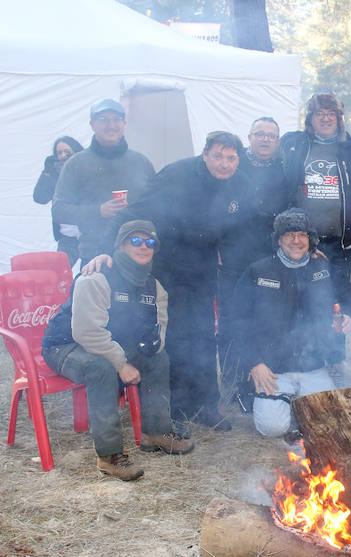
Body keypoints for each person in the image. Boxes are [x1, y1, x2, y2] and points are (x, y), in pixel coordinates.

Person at [119, 131, 254, 435]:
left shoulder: (241, 186)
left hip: (203, 267)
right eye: (218, 156)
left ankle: (206, 405)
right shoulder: (176, 174)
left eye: (231, 158)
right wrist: (118, 251)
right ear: (204, 154)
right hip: (167, 264)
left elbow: (244, 229)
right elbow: (137, 212)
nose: (224, 163)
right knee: (176, 335)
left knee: (204, 334)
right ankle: (175, 407)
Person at [41, 221, 193, 481]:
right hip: (66, 345)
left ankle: (155, 432)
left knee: (157, 358)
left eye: (150, 242)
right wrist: (121, 364)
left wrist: (149, 348)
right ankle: (109, 456)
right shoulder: (97, 277)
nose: (144, 247)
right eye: (136, 241)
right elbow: (86, 333)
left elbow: (160, 333)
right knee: (100, 368)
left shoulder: (154, 287)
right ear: (121, 245)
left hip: (110, 345)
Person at [232, 209, 351, 439]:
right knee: (273, 428)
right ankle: (278, 401)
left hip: (314, 367)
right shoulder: (258, 271)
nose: (296, 241)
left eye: (302, 235)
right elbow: (237, 321)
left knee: (328, 422)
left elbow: (350, 297)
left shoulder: (323, 269)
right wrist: (254, 363)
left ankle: (300, 402)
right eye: (289, 235)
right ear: (278, 239)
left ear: (311, 239)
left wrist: (347, 316)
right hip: (272, 369)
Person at [218, 117, 290, 408]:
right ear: (249, 137)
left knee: (264, 317)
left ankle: (259, 379)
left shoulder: (283, 172)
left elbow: (289, 214)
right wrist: (218, 246)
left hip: (268, 256)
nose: (264, 139)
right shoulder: (234, 166)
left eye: (271, 135)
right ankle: (234, 380)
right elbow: (217, 212)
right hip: (234, 255)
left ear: (277, 140)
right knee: (232, 316)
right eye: (259, 134)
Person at [282, 92, 351, 297]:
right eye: (320, 113)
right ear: (310, 119)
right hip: (302, 241)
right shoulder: (295, 145)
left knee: (338, 297)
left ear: (340, 119)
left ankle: (336, 330)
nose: (326, 118)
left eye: (332, 113)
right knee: (303, 298)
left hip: (340, 243)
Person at [53, 98, 155, 262]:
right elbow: (59, 210)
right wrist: (98, 211)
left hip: (137, 256)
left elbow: (155, 204)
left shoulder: (141, 162)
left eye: (116, 120)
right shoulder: (77, 163)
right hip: (94, 255)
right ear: (92, 124)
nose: (111, 125)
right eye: (104, 120)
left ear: (124, 123)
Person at [33, 136, 84, 264]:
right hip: (67, 238)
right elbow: (39, 198)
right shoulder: (55, 174)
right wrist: (47, 171)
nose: (63, 155)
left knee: (90, 274)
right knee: (60, 274)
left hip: (90, 234)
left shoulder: (88, 169)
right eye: (59, 153)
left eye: (67, 152)